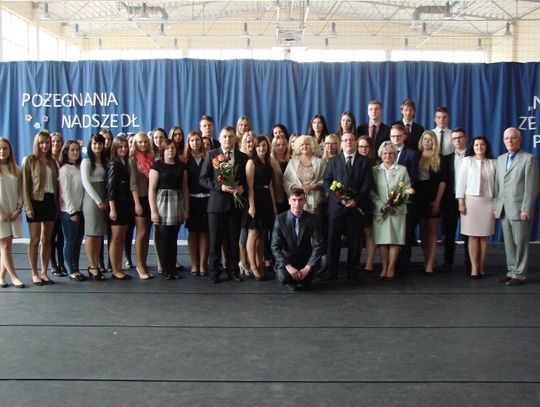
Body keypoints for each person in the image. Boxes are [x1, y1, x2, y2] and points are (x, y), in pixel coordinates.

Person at [199, 126, 248, 284]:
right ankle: (214, 272)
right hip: (216, 206)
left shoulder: (243, 157)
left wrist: (242, 188)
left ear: (235, 138)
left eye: (231, 136)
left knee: (233, 242)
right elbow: (203, 179)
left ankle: (233, 271)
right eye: (225, 136)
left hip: (235, 206)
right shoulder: (212, 154)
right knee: (215, 242)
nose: (228, 139)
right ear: (220, 139)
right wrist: (220, 187)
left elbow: (246, 180)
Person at [324, 132, 373, 280]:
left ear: (355, 142)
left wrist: (356, 200)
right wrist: (339, 199)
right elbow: (327, 182)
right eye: (345, 140)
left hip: (356, 207)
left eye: (351, 140)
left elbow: (367, 183)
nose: (348, 142)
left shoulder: (365, 161)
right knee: (333, 241)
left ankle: (353, 271)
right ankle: (331, 271)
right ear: (341, 143)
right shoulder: (333, 161)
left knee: (355, 241)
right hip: (336, 207)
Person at [494, 127, 539, 286]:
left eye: (513, 138)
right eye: (507, 138)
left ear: (520, 140)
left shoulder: (528, 159)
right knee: (509, 244)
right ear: (503, 141)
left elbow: (531, 187)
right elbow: (498, 185)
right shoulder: (500, 159)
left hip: (520, 209)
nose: (510, 141)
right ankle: (511, 271)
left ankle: (519, 274)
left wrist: (526, 208)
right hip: (504, 208)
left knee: (521, 244)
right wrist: (496, 205)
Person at [456, 136, 496, 279]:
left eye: (482, 144)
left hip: (488, 202)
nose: (479, 147)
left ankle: (481, 267)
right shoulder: (467, 161)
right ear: (472, 147)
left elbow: (498, 185)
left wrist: (496, 205)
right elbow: (460, 183)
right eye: (476, 145)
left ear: (486, 146)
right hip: (471, 202)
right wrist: (461, 202)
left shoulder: (494, 163)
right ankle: (474, 267)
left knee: (484, 236)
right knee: (472, 236)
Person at [149, 139, 189, 280]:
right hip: (162, 204)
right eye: (167, 148)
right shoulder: (157, 166)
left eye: (173, 148)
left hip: (176, 202)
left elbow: (185, 189)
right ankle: (165, 269)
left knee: (173, 238)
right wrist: (153, 211)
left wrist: (186, 209)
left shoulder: (181, 167)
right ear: (163, 150)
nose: (170, 150)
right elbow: (151, 190)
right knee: (163, 238)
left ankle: (173, 268)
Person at [22, 131, 59, 285]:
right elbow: (24, 185)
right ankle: (34, 273)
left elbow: (56, 185)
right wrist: (27, 206)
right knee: (35, 239)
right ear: (37, 144)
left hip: (50, 201)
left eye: (47, 142)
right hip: (35, 201)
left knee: (47, 239)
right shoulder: (30, 160)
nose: (45, 145)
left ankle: (44, 272)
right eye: (42, 143)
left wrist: (57, 204)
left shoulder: (52, 161)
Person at [271, 187, 325, 291]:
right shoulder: (280, 219)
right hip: (288, 259)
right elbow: (275, 247)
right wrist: (288, 266)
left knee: (325, 261)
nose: (297, 204)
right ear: (289, 201)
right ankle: (298, 280)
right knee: (283, 277)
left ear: (304, 201)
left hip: (306, 259)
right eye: (294, 200)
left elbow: (318, 245)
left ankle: (303, 279)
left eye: (300, 200)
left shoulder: (312, 219)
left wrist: (307, 267)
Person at [371, 141, 411, 280]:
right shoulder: (374, 170)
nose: (387, 156)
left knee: (395, 240)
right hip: (380, 211)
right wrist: (382, 205)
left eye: (391, 153)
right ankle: (384, 267)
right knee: (382, 240)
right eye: (385, 153)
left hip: (397, 211)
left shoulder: (402, 170)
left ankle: (391, 267)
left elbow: (406, 189)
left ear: (395, 154)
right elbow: (372, 192)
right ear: (380, 155)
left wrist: (396, 203)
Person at [245, 136, 277, 280]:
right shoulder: (251, 162)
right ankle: (252, 266)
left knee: (262, 234)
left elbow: (270, 186)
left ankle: (259, 263)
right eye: (258, 146)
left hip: (266, 200)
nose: (261, 148)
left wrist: (274, 205)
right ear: (254, 148)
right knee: (253, 234)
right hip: (255, 200)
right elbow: (249, 186)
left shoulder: (268, 162)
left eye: (264, 145)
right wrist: (251, 206)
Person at [415, 130, 448, 274]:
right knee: (423, 229)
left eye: (430, 139)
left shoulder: (439, 158)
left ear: (434, 141)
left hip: (434, 195)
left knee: (433, 229)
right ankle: (427, 259)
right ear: (421, 141)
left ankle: (430, 263)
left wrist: (437, 201)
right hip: (419, 195)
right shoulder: (416, 156)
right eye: (425, 139)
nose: (427, 142)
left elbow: (443, 181)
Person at [440, 128, 471, 273]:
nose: (457, 140)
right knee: (449, 234)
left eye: (460, 137)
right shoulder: (446, 158)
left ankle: (470, 264)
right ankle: (448, 263)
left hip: (470, 200)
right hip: (450, 201)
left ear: (465, 138)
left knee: (468, 234)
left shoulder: (473, 156)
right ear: (451, 141)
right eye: (454, 138)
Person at [389, 124, 418, 273]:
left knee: (404, 233)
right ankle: (390, 264)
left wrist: (399, 195)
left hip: (404, 200)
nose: (396, 139)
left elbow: (412, 177)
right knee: (390, 233)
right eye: (393, 136)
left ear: (404, 136)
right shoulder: (386, 152)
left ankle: (403, 265)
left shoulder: (411, 154)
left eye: (398, 136)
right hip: (387, 200)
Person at [58, 140, 87, 282]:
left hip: (80, 210)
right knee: (70, 242)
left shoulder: (79, 167)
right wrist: (72, 211)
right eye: (72, 150)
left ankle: (76, 268)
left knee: (77, 242)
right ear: (66, 152)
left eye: (77, 150)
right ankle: (71, 270)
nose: (75, 152)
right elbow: (65, 192)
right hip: (69, 212)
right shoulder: (64, 170)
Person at [81, 133, 108, 281]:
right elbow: (86, 183)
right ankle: (92, 267)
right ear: (90, 145)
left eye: (100, 143)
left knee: (99, 234)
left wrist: (105, 199)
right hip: (92, 199)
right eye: (94, 143)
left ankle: (96, 265)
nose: (97, 146)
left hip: (103, 196)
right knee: (92, 233)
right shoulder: (86, 161)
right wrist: (98, 201)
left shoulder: (104, 160)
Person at [106, 136, 134, 280]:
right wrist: (112, 208)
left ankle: (119, 267)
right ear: (115, 149)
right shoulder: (114, 164)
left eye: (125, 146)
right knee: (116, 238)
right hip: (116, 205)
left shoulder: (126, 162)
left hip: (125, 205)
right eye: (120, 147)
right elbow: (110, 188)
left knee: (121, 238)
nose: (123, 149)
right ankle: (115, 269)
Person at [183, 131, 210, 277]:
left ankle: (203, 264)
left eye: (197, 140)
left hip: (207, 200)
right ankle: (194, 264)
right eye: (192, 140)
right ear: (188, 142)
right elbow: (184, 185)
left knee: (205, 232)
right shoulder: (184, 160)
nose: (195, 143)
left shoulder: (209, 157)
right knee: (193, 232)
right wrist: (186, 208)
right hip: (192, 200)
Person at [128, 132, 154, 280]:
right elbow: (133, 183)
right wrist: (137, 203)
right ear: (135, 144)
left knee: (147, 234)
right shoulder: (133, 159)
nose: (143, 144)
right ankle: (139, 264)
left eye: (145, 141)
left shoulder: (151, 157)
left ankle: (144, 263)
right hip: (139, 199)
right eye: (140, 142)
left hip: (150, 198)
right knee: (141, 233)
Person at [0, 137, 25, 288]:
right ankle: (14, 276)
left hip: (13, 212)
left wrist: (18, 209)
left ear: (10, 150)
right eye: (0, 148)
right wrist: (1, 212)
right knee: (4, 245)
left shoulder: (16, 169)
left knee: (7, 244)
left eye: (5, 148)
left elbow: (21, 192)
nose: (2, 151)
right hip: (1, 213)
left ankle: (1, 276)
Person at [283, 135, 326, 221]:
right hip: (297, 201)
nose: (304, 146)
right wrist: (298, 187)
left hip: (315, 201)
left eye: (307, 144)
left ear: (312, 146)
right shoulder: (292, 162)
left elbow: (325, 179)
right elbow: (286, 180)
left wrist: (314, 186)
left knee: (314, 225)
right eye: (302, 145)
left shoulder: (320, 162)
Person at [357, 135, 377, 273]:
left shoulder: (377, 163)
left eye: (366, 147)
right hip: (356, 201)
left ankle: (369, 262)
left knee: (369, 232)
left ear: (371, 148)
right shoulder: (354, 161)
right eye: (360, 146)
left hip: (370, 201)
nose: (363, 149)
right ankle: (356, 261)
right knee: (356, 234)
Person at [50, 132, 67, 277]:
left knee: (62, 237)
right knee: (50, 236)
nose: (56, 144)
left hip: (63, 205)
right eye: (53, 141)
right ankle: (53, 264)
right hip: (50, 204)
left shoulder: (64, 161)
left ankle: (62, 263)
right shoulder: (47, 161)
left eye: (58, 141)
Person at [270, 135, 290, 214]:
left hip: (289, 197)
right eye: (278, 145)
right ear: (274, 146)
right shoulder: (270, 162)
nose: (281, 147)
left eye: (283, 145)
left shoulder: (289, 161)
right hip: (277, 198)